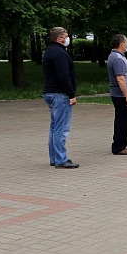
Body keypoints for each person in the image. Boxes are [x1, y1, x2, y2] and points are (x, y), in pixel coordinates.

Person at [42, 27, 79, 168]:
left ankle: (54, 157)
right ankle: (61, 159)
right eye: (66, 36)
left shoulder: (49, 51)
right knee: (61, 128)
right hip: (60, 94)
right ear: (59, 38)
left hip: (50, 92)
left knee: (54, 127)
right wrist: (71, 94)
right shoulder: (60, 54)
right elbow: (64, 76)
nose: (67, 39)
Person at [107, 34, 127, 155]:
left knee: (122, 120)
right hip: (121, 95)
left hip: (120, 95)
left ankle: (121, 143)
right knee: (122, 121)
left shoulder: (116, 56)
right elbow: (120, 78)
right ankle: (119, 146)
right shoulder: (118, 58)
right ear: (122, 44)